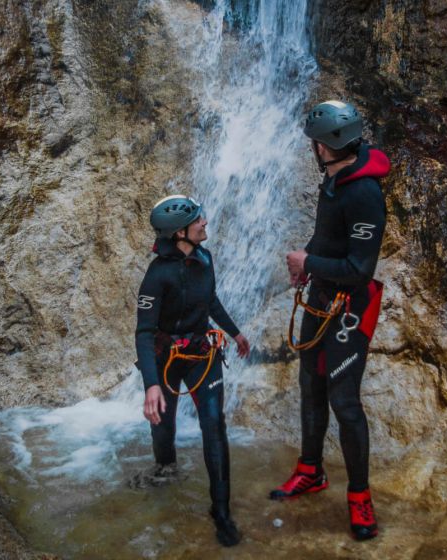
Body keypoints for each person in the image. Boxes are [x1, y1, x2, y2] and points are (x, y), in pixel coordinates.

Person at [269, 100, 390, 541]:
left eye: (316, 143)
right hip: (320, 298)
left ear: (327, 146)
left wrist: (308, 259)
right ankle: (310, 471)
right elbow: (328, 239)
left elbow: (360, 268)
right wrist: (309, 263)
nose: (313, 149)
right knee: (311, 389)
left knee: (345, 402)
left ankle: (360, 498)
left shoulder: (364, 193)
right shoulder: (335, 180)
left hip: (349, 308)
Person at [135, 195, 250, 547]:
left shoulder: (205, 257)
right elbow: (143, 332)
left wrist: (235, 332)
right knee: (163, 424)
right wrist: (151, 385)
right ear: (180, 231)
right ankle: (165, 467)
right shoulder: (157, 275)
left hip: (203, 352)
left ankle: (221, 511)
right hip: (166, 357)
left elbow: (210, 300)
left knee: (214, 425)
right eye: (198, 220)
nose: (205, 223)